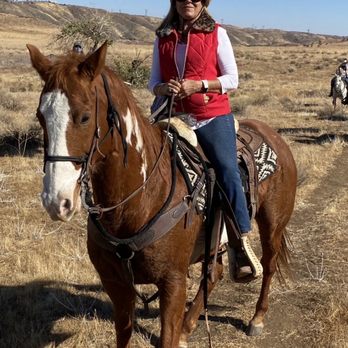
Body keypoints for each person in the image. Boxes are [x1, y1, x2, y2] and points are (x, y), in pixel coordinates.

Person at [148, 0, 262, 281]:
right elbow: (153, 82)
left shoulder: (217, 33)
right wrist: (165, 87)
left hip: (210, 115)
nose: (190, 0)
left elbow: (232, 79)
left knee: (226, 168)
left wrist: (198, 85)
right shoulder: (162, 36)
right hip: (173, 115)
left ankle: (239, 241)